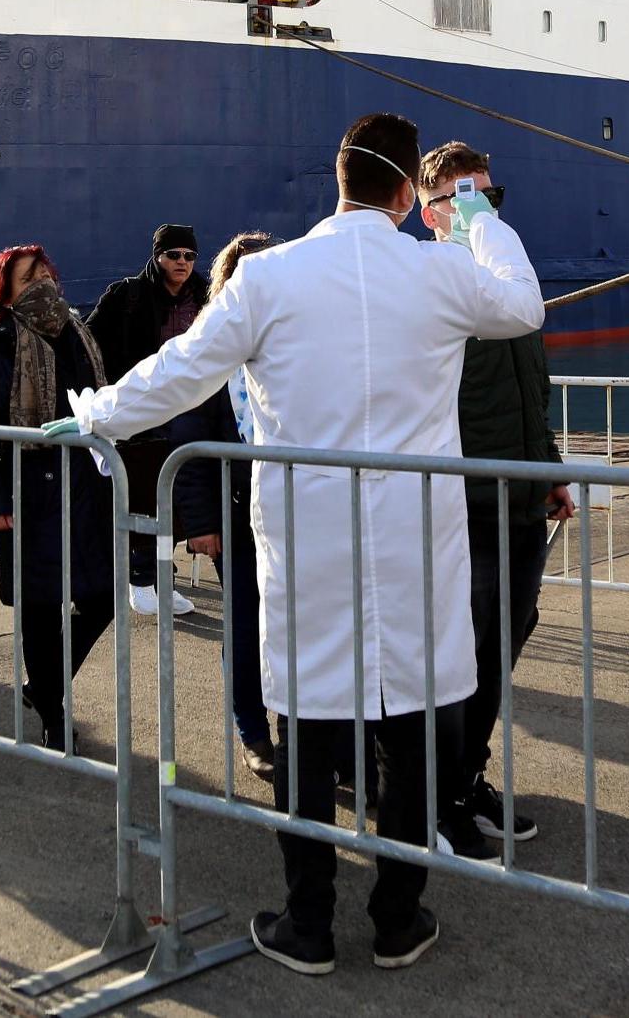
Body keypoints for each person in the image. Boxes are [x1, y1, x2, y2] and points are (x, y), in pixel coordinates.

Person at [54, 112, 547, 977]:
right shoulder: (440, 270)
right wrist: (477, 218)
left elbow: (180, 371)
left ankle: (307, 922)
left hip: (308, 537)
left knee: (311, 728)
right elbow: (521, 304)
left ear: (338, 179)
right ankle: (399, 916)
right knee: (414, 724)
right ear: (406, 193)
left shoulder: (269, 277)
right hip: (413, 538)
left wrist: (93, 414)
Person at [416, 142, 574, 859]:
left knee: (503, 642)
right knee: (459, 654)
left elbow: (527, 392)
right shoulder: (429, 282)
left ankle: (464, 776)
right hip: (463, 504)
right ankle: (433, 795)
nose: (479, 208)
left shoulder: (509, 283)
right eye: (461, 195)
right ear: (428, 210)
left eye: (488, 194)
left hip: (519, 499)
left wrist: (551, 471)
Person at [0, 245, 134, 749]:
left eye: (45, 273)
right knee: (40, 610)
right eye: (28, 277)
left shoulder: (79, 333)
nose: (42, 283)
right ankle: (55, 717)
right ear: (6, 291)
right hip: (28, 495)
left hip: (86, 488)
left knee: (102, 598)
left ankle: (42, 687)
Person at [88, 224, 233, 618]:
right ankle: (140, 581)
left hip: (190, 416)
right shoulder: (128, 295)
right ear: (158, 257)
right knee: (146, 503)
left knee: (179, 506)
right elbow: (90, 340)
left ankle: (160, 581)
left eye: (189, 255)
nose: (182, 263)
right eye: (174, 255)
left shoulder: (208, 294)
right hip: (145, 420)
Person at [209, 229, 282, 781]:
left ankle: (302, 736)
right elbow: (188, 426)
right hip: (234, 504)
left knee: (298, 622)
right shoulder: (212, 338)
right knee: (245, 623)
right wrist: (200, 519)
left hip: (292, 502)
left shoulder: (298, 334)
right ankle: (253, 733)